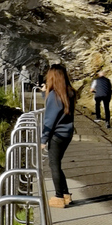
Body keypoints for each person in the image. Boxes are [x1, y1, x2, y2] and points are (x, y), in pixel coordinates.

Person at [40, 64, 76, 208]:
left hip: (56, 135)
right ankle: (66, 194)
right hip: (67, 133)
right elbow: (56, 105)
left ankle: (58, 196)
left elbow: (49, 119)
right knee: (57, 165)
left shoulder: (55, 95)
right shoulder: (69, 92)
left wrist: (43, 139)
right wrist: (45, 93)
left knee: (54, 165)